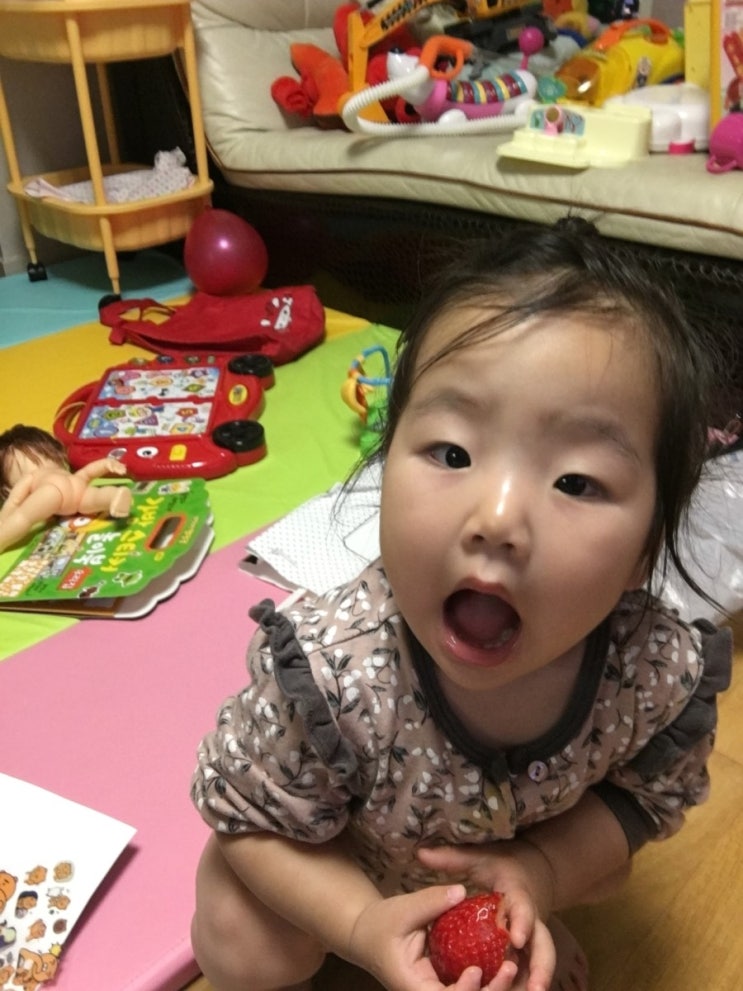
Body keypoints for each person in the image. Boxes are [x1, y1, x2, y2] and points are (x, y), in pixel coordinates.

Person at [190, 218, 732, 991]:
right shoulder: (334, 670)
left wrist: (542, 871)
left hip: (497, 862)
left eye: (575, 481)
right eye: (452, 453)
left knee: (607, 869)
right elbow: (246, 820)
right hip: (333, 860)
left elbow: (644, 799)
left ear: (644, 549)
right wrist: (357, 924)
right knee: (244, 934)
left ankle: (519, 900)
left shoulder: (651, 669)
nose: (497, 518)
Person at [0, 424, 131, 554]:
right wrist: (105, 464)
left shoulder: (30, 478)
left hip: (51, 491)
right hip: (77, 482)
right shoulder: (62, 471)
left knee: (24, 517)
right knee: (95, 497)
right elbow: (87, 473)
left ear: (6, 489)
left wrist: (3, 519)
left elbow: (14, 501)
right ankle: (113, 496)